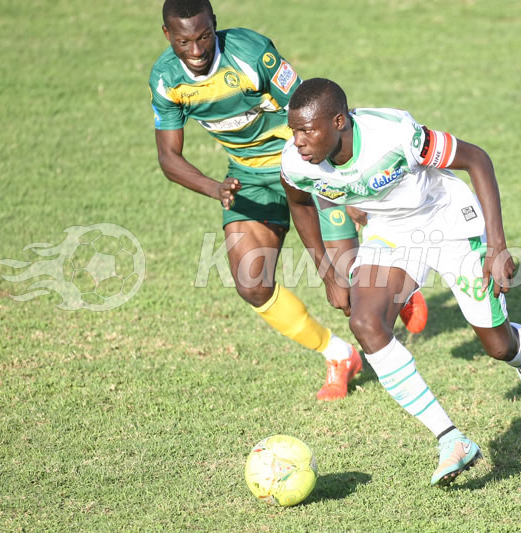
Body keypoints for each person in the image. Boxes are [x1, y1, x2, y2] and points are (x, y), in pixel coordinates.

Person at [280, 78, 521, 487]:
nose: (298, 141)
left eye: (307, 130)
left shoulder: (395, 133)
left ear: (339, 121)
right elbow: (299, 203)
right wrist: (328, 274)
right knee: (365, 323)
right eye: (294, 131)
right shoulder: (295, 160)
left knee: (497, 346)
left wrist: (497, 246)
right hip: (392, 233)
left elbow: (477, 160)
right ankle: (451, 439)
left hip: (447, 220)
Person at [148, 1, 425, 401]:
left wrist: (343, 185)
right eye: (184, 41)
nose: (196, 50)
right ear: (167, 35)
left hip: (303, 162)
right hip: (245, 177)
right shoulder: (166, 79)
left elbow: (311, 115)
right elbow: (168, 157)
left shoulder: (250, 54)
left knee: (345, 288)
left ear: (215, 26)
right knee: (252, 284)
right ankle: (339, 355)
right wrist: (216, 188)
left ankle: (396, 289)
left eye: (204, 36)